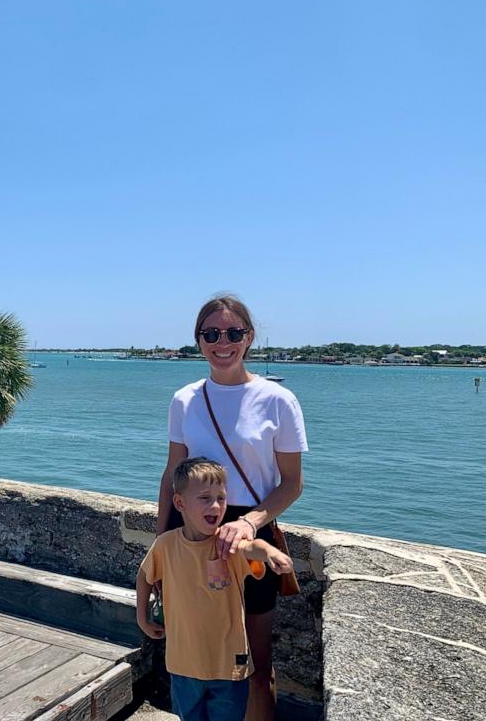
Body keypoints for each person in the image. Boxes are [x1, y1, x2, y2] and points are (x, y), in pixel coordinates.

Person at [157, 294, 307, 721]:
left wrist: (250, 523)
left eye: (234, 333)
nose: (223, 343)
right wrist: (163, 546)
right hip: (188, 536)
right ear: (199, 340)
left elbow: (292, 483)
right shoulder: (184, 400)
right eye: (212, 334)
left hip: (249, 534)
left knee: (254, 663)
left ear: (250, 337)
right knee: (196, 657)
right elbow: (171, 476)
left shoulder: (278, 400)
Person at [138, 458, 293, 721]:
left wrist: (269, 552)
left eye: (221, 498)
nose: (216, 506)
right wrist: (142, 617)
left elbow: (250, 547)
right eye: (205, 498)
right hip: (183, 663)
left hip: (229, 665)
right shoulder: (166, 545)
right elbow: (144, 575)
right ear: (180, 504)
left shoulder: (227, 544)